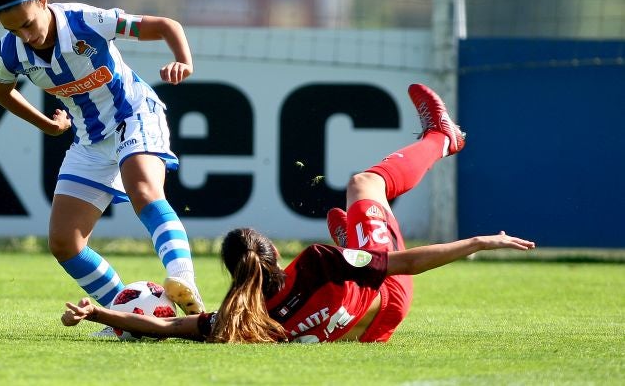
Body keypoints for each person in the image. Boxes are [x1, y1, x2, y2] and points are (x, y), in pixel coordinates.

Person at [60, 83, 536, 343]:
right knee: (364, 184)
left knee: (360, 228)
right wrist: (477, 242)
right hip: (386, 295)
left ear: (234, 273)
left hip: (369, 332)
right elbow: (406, 265)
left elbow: (165, 326)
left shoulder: (238, 320)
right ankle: (442, 138)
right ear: (271, 255)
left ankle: (357, 235)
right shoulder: (312, 263)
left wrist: (98, 312)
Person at [0, 0, 204, 324]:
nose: (25, 35)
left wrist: (183, 60)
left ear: (42, 1)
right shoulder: (11, 51)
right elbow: (0, 90)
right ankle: (125, 313)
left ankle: (183, 279)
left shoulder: (85, 20)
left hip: (134, 115)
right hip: (90, 139)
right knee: (64, 243)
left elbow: (166, 25)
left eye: (27, 24)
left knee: (145, 191)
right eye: (13, 29)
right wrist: (44, 123)